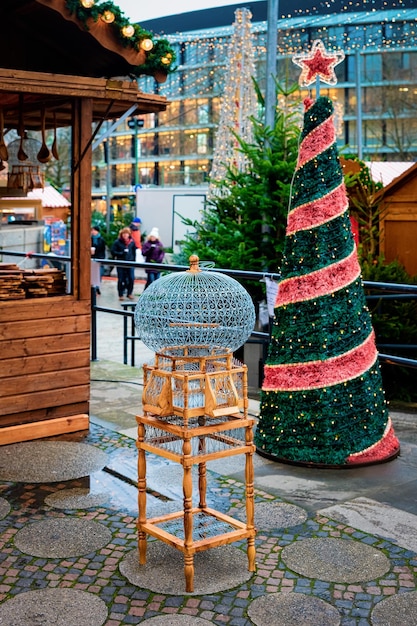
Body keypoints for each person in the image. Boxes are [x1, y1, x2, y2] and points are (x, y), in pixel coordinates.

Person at [111, 227, 136, 301]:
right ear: (121, 234)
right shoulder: (117, 242)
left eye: (126, 234)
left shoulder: (132, 242)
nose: (125, 235)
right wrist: (121, 253)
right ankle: (121, 294)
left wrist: (134, 261)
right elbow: (113, 252)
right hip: (121, 263)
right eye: (124, 234)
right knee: (121, 279)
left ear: (129, 234)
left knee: (131, 278)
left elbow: (134, 252)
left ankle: (129, 293)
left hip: (130, 262)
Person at [91, 225, 106, 295]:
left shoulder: (101, 239)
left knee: (99, 274)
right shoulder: (90, 239)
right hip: (92, 258)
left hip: (99, 258)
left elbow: (103, 249)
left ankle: (97, 287)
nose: (93, 232)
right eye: (92, 230)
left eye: (94, 230)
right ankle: (93, 288)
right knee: (93, 274)